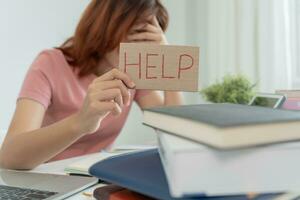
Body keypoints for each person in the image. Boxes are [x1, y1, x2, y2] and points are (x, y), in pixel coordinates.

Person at [0, 0, 183, 170]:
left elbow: (176, 134)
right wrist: (81, 122)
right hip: (46, 176)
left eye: (148, 40)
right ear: (104, 27)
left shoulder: (133, 73)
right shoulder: (50, 63)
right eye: (135, 35)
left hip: (95, 177)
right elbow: (9, 156)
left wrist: (169, 60)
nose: (138, 47)